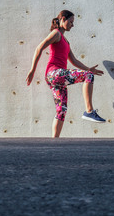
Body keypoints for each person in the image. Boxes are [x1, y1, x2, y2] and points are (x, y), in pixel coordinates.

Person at [26, 10, 105, 138]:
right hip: (54, 73)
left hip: (57, 77)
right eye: (71, 22)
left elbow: (73, 61)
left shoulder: (66, 41)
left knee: (61, 110)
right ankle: (89, 111)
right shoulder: (56, 34)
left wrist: (88, 68)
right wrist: (32, 70)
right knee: (88, 76)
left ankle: (54, 142)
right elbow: (39, 48)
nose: (72, 25)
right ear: (63, 19)